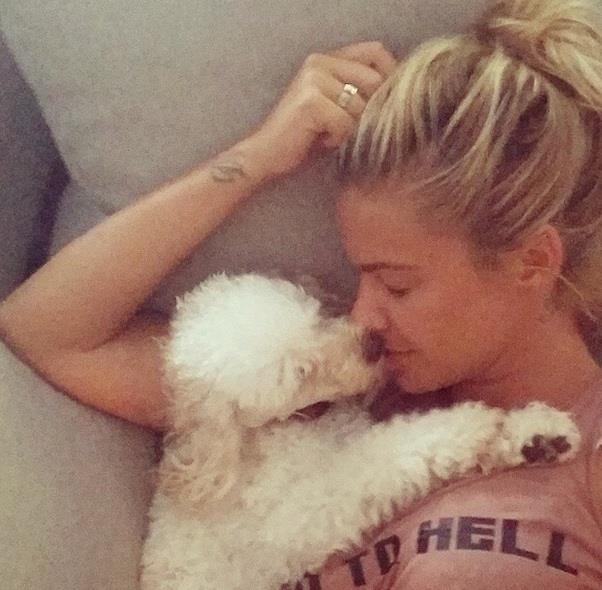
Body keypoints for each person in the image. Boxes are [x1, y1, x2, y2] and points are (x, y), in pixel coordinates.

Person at [1, 0, 601, 586]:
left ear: (532, 262)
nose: (362, 316)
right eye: (360, 277)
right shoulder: (321, 386)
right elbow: (47, 333)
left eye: (397, 284)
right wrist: (258, 157)